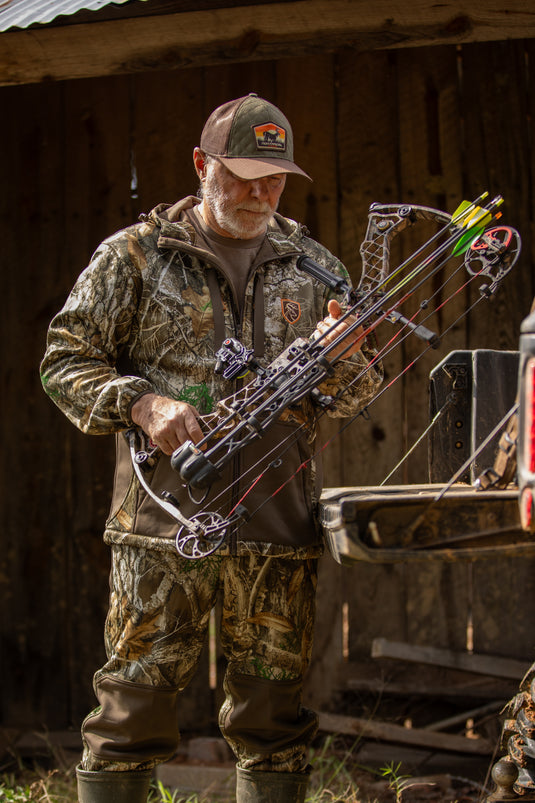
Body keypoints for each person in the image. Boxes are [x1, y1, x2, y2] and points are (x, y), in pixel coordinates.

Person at [40, 93, 382, 803]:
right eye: (243, 174)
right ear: (202, 164)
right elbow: (64, 361)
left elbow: (349, 395)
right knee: (131, 707)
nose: (259, 193)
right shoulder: (134, 256)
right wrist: (142, 402)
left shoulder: (312, 265)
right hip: (163, 522)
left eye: (275, 178)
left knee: (274, 715)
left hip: (278, 524)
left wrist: (348, 358)